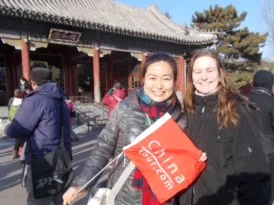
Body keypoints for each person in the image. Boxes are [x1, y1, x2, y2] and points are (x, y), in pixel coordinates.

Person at [63, 53, 188, 205]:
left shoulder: (180, 119)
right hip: (125, 196)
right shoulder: (125, 110)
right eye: (152, 78)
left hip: (164, 198)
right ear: (143, 79)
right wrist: (81, 184)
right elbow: (102, 150)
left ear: (174, 81)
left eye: (166, 78)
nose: (159, 85)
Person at [180, 49, 271, 205]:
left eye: (210, 70)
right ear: (191, 76)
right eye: (197, 71)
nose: (203, 77)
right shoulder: (188, 110)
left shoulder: (239, 110)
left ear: (220, 73)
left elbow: (255, 171)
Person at [5, 67, 72, 205]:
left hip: (40, 158)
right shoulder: (60, 99)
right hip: (61, 156)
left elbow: (17, 130)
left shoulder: (35, 100)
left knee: (38, 197)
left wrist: (7, 128)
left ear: (33, 82)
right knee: (58, 194)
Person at [248, 70, 274, 204]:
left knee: (250, 183)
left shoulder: (243, 98)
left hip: (246, 149)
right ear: (270, 83)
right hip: (268, 149)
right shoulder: (272, 101)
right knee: (272, 182)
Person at [8, 89, 26, 159]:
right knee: (20, 138)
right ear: (20, 94)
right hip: (19, 121)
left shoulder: (11, 100)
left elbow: (9, 109)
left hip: (13, 120)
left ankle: (17, 153)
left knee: (19, 138)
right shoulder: (20, 101)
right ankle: (18, 153)